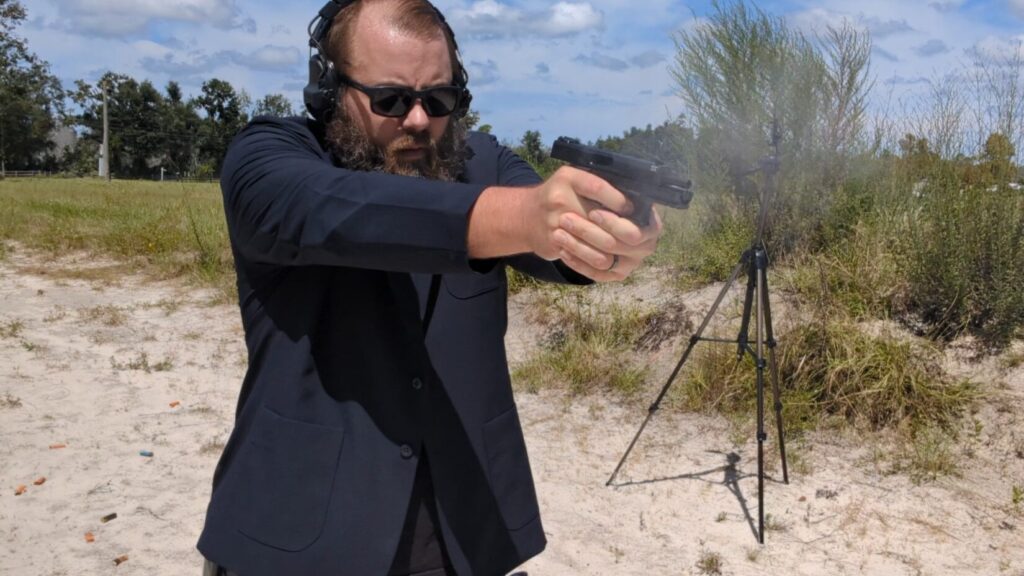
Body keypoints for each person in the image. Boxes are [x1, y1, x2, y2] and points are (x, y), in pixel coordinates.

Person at [197, 0, 663, 574]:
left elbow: (554, 242)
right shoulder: (267, 158)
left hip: (461, 535)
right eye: (391, 100)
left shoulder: (481, 162)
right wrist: (524, 216)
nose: (418, 120)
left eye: (439, 99)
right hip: (301, 539)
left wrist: (610, 225)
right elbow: (341, 211)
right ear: (330, 88)